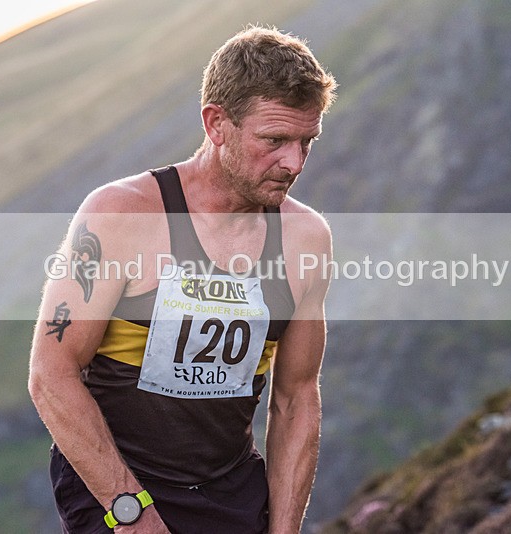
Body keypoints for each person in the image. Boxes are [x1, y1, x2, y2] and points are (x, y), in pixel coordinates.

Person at [28, 25, 337, 534]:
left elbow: (296, 396)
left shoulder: (307, 237)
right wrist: (132, 515)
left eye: (308, 141)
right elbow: (51, 372)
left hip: (230, 489)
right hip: (118, 486)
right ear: (217, 124)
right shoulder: (120, 213)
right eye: (275, 140)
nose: (294, 162)